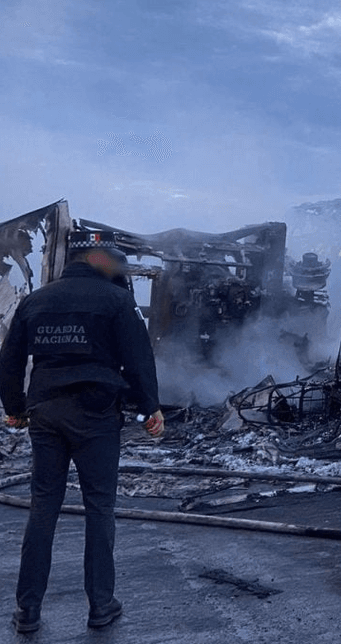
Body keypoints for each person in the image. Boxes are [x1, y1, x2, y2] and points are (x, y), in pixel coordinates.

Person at [0, 231, 164, 633]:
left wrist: (15, 409)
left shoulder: (36, 300)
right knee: (99, 508)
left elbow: (9, 360)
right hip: (96, 414)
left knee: (43, 508)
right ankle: (101, 607)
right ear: (100, 261)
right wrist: (150, 408)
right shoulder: (117, 301)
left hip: (46, 413)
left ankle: (27, 612)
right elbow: (139, 358)